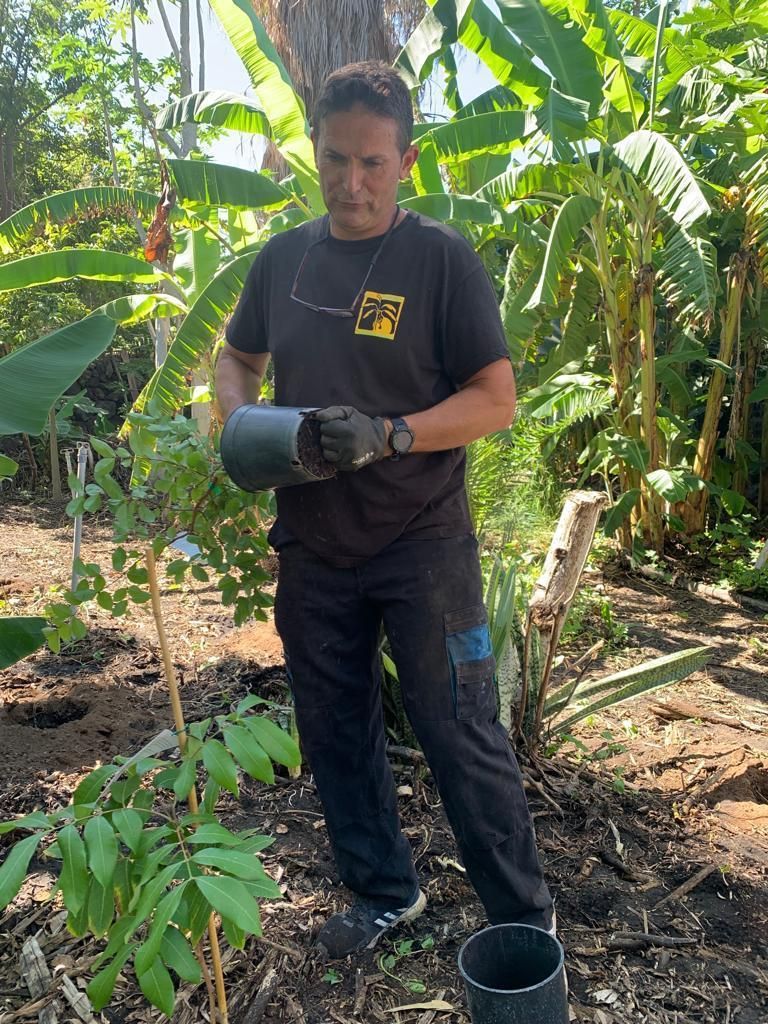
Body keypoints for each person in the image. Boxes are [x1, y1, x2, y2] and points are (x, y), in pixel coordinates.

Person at [215, 60, 554, 959]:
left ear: (406, 161)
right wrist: (242, 424)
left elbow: (496, 399)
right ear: (315, 152)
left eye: (371, 163)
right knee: (333, 727)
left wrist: (393, 435)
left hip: (423, 541)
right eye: (334, 160)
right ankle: (382, 892)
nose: (351, 183)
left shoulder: (439, 258)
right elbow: (234, 357)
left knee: (459, 726)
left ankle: (521, 916)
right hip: (314, 544)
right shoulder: (283, 260)